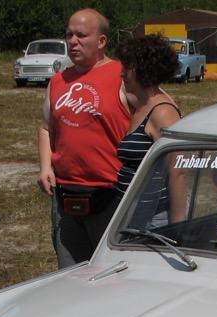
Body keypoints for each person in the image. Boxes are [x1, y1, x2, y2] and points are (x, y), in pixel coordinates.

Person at [39, 8, 131, 268]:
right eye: (69, 35)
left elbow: (157, 112)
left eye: (81, 35)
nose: (72, 41)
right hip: (66, 193)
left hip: (112, 194)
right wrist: (46, 166)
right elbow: (46, 127)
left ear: (102, 41)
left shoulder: (123, 76)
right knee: (71, 275)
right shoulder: (58, 81)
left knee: (114, 271)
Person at [114, 35, 185, 226]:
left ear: (145, 69)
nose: (122, 74)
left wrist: (177, 226)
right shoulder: (141, 105)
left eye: (127, 68)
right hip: (132, 215)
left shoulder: (162, 112)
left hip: (152, 220)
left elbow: (178, 172)